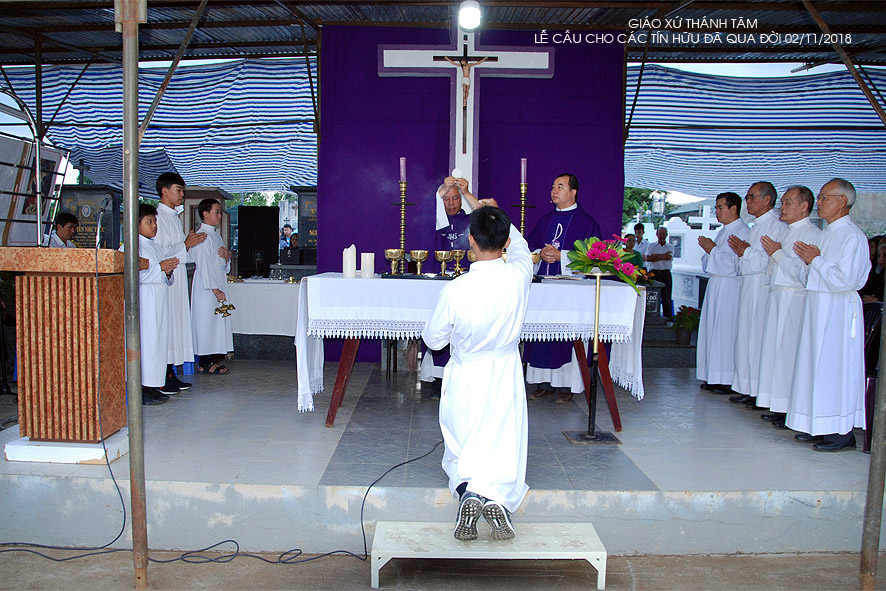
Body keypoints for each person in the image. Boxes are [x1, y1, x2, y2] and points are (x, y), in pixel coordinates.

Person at [422, 200, 532, 542]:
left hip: (467, 370)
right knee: (502, 435)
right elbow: (523, 247)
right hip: (504, 368)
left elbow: (434, 340)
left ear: (470, 239)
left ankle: (468, 492)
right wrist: (497, 214)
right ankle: (496, 497)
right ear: (505, 243)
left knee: (464, 436)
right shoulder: (519, 275)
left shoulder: (456, 289)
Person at [787, 178, 870, 451]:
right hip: (817, 307)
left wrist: (816, 260)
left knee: (836, 370)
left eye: (824, 197)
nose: (818, 203)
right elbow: (811, 273)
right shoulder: (825, 233)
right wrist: (807, 263)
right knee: (815, 368)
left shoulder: (853, 236)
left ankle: (842, 432)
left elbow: (846, 280)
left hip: (837, 311)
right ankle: (820, 424)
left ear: (843, 201)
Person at [525, 173, 602, 404]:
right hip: (545, 290)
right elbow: (530, 248)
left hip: (570, 293)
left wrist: (562, 256)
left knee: (564, 337)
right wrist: (540, 255)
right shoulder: (545, 220)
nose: (554, 190)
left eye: (560, 186)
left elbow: (594, 259)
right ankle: (544, 383)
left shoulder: (586, 222)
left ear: (573, 192)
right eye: (553, 186)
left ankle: (567, 385)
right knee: (542, 336)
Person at [756, 186, 820, 426]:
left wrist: (779, 254)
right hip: (778, 297)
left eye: (788, 203)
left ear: (804, 206)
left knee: (789, 353)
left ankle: (790, 407)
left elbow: (804, 273)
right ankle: (779, 404)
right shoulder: (785, 232)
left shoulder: (812, 234)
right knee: (776, 352)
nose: (782, 207)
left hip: (794, 299)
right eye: (781, 203)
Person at [727, 182, 786, 406]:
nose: (747, 201)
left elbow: (766, 261)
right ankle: (747, 386)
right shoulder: (756, 226)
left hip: (761, 288)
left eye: (752, 197)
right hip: (748, 286)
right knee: (746, 337)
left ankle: (758, 389)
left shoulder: (775, 226)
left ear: (767, 200)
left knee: (758, 338)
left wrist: (746, 252)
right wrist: (744, 253)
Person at [420, 176, 482, 385]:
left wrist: (466, 192)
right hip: (440, 280)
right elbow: (425, 211)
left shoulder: (471, 220)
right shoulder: (435, 221)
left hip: (467, 282)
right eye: (446, 199)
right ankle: (438, 376)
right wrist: (441, 190)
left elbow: (486, 214)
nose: (452, 203)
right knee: (441, 324)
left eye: (455, 198)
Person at [120, 203, 179, 405]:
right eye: (149, 222)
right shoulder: (129, 246)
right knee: (146, 344)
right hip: (143, 304)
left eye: (155, 222)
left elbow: (162, 275)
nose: (154, 226)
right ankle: (141, 388)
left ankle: (153, 385)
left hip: (158, 302)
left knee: (157, 344)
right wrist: (159, 269)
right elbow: (132, 275)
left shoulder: (154, 246)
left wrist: (167, 272)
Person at [154, 172, 205, 393]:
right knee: (168, 325)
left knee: (175, 326)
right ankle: (163, 375)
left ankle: (170, 373)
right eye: (178, 189)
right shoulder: (157, 217)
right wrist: (185, 244)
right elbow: (159, 252)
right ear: (164, 190)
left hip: (176, 279)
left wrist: (185, 246)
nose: (182, 194)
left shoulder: (173, 216)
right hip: (165, 279)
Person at [696, 192, 750, 394]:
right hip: (716, 285)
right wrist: (711, 251)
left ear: (733, 208)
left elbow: (735, 264)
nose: (717, 212)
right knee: (713, 329)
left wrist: (713, 250)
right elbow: (712, 260)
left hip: (730, 287)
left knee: (725, 331)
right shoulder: (724, 231)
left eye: (720, 207)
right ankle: (713, 374)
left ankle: (725, 378)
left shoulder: (742, 232)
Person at [190, 198, 233, 375]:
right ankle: (204, 361)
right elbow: (204, 265)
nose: (219, 215)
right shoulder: (202, 236)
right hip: (207, 287)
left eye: (220, 212)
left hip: (218, 281)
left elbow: (221, 264)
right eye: (216, 211)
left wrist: (227, 257)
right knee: (205, 322)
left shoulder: (216, 235)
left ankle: (213, 358)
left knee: (215, 323)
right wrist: (214, 289)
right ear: (205, 214)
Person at [644, 227, 674, 320]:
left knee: (666, 297)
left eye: (664, 234)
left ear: (666, 235)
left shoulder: (670, 246)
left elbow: (669, 257)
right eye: (660, 234)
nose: (662, 236)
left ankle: (668, 318)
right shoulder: (651, 245)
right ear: (657, 234)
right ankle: (650, 318)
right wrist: (663, 256)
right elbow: (648, 258)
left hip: (665, 273)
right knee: (652, 296)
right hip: (654, 273)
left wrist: (655, 255)